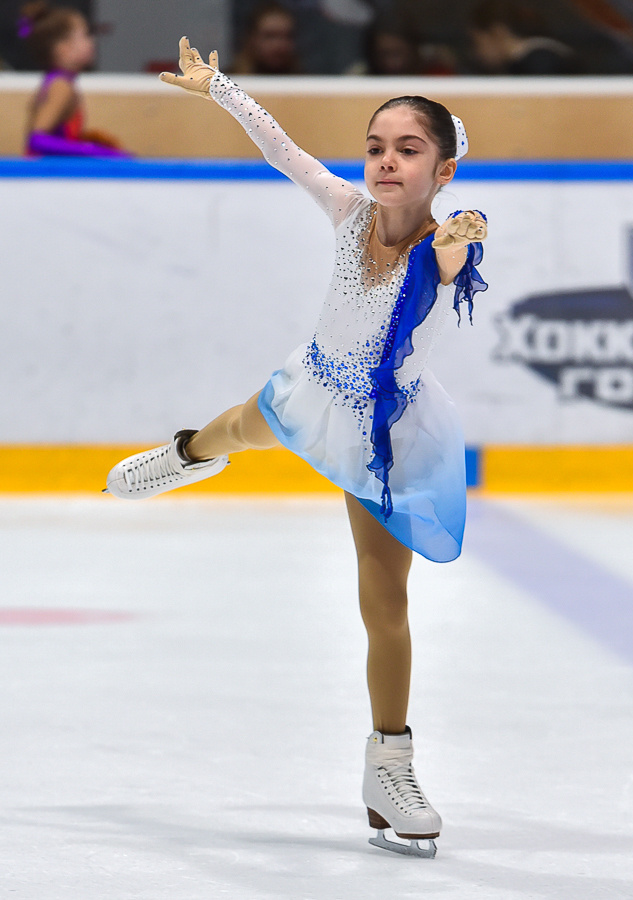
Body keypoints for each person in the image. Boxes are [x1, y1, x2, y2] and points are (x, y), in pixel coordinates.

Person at [105, 36, 487, 858]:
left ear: (444, 169)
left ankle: (388, 765)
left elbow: (456, 255)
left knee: (384, 603)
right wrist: (220, 89)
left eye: (409, 150)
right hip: (309, 388)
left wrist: (462, 233)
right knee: (234, 430)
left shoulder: (444, 241)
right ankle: (184, 456)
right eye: (376, 146)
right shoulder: (349, 213)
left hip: (384, 433)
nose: (386, 161)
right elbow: (283, 150)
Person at [19, 1, 129, 157]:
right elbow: (37, 140)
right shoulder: (61, 86)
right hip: (45, 177)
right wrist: (93, 150)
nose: (92, 41)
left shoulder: (60, 82)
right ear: (64, 49)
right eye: (86, 34)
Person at [469, 0, 577, 75]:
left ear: (498, 33)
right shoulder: (525, 62)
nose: (478, 54)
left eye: (478, 43)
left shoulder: (541, 61)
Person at [229, 2, 300, 75]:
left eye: (287, 36)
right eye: (270, 36)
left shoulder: (305, 81)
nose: (279, 45)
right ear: (252, 38)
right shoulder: (225, 82)